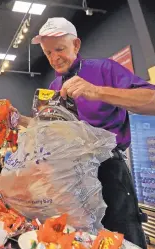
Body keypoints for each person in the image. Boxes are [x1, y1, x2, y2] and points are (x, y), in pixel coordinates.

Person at [15, 17, 155, 248]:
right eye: (48, 53)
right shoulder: (53, 88)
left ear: (76, 45)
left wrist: (97, 91)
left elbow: (151, 100)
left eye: (60, 49)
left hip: (108, 174)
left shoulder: (105, 69)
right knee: (74, 240)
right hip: (67, 179)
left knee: (123, 239)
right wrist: (18, 120)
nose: (54, 58)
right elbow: (49, 130)